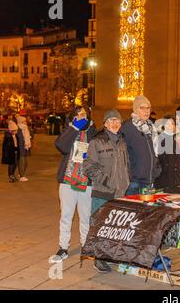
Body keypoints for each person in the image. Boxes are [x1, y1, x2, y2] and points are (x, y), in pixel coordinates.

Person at [83, 109, 130, 273]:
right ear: (105, 124)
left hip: (120, 192)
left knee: (115, 228)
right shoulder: (97, 141)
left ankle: (111, 256)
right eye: (111, 121)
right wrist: (106, 181)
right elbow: (88, 166)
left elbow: (126, 165)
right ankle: (99, 259)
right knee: (100, 227)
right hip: (103, 193)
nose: (114, 124)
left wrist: (127, 181)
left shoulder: (122, 141)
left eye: (117, 120)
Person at [51, 106, 97, 263]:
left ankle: (86, 246)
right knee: (66, 216)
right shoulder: (69, 130)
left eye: (84, 114)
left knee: (85, 216)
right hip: (68, 180)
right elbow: (62, 147)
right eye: (78, 114)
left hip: (86, 181)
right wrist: (74, 128)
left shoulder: (93, 131)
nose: (81, 116)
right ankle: (63, 247)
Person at [121, 96, 161, 195]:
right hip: (134, 181)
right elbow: (121, 154)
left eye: (148, 108)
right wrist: (129, 175)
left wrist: (157, 169)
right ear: (135, 109)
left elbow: (155, 151)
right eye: (142, 108)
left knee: (148, 209)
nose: (146, 111)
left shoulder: (151, 127)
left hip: (150, 179)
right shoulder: (127, 127)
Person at [155, 115, 180, 189]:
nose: (170, 126)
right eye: (168, 124)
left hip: (177, 179)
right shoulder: (158, 140)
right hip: (164, 179)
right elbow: (156, 160)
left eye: (172, 124)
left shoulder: (177, 140)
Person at [15, 116, 32, 182]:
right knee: (22, 162)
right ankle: (21, 176)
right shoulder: (18, 129)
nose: (26, 122)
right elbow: (19, 139)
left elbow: (30, 136)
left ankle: (20, 174)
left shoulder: (26, 128)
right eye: (24, 121)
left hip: (25, 147)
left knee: (25, 163)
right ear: (21, 122)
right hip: (20, 147)